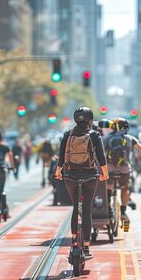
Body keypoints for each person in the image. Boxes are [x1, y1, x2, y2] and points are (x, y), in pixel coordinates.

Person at [55, 107, 108, 260]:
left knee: (75, 208)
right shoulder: (94, 135)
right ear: (90, 120)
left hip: (70, 176)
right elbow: (101, 156)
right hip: (90, 177)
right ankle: (85, 245)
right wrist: (105, 173)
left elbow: (61, 156)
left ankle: (74, 241)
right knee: (86, 209)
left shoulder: (68, 134)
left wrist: (58, 172)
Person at [103, 117, 141, 231]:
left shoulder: (107, 138)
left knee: (108, 184)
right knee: (125, 187)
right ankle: (123, 212)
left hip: (110, 169)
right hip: (124, 170)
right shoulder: (130, 138)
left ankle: (108, 206)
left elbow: (99, 151)